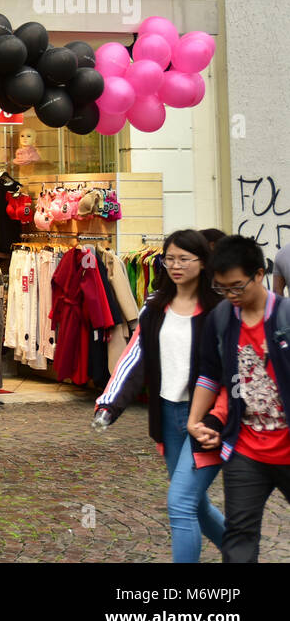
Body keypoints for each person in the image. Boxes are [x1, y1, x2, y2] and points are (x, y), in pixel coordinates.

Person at [93, 229, 224, 562]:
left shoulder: (220, 311)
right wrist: (110, 404)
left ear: (203, 262)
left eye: (184, 259)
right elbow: (135, 357)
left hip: (207, 422)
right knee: (197, 504)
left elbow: (231, 371)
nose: (175, 266)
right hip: (167, 416)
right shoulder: (155, 306)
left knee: (180, 504)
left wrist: (217, 417)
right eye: (169, 259)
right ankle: (242, 550)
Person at [188, 234, 290, 562]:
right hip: (246, 450)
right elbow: (209, 373)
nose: (230, 295)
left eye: (237, 286)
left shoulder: (286, 317)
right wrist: (194, 420)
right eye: (222, 288)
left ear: (259, 274)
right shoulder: (220, 319)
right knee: (239, 539)